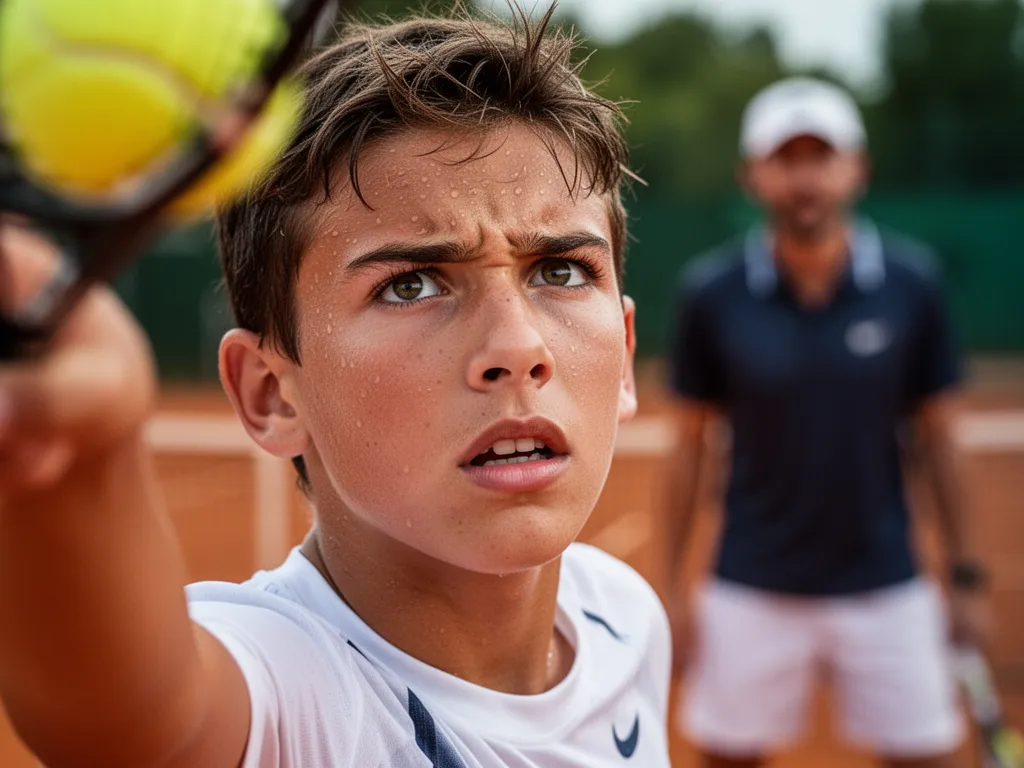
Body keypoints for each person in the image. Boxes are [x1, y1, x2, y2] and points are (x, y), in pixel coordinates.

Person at [0, 6, 673, 767]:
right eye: (413, 283)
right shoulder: (290, 692)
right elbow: (127, 726)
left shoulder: (624, 618)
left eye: (560, 270)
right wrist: (72, 466)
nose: (517, 348)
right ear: (269, 394)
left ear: (624, 352)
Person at [661, 77, 992, 768]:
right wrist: (669, 588)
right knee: (725, 758)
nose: (805, 177)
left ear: (857, 167)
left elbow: (939, 438)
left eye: (822, 155)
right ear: (752, 175)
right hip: (749, 583)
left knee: (927, 757)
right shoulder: (711, 294)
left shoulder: (914, 284)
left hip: (887, 582)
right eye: (786, 158)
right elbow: (686, 446)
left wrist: (964, 578)